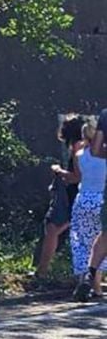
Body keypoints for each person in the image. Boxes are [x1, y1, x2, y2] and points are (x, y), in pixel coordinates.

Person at [35, 114, 85, 279]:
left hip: (73, 195)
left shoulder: (77, 147)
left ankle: (42, 272)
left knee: (53, 229)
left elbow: (77, 176)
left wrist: (59, 171)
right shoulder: (81, 146)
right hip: (76, 194)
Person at [67, 118, 107, 297]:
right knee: (101, 242)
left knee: (82, 242)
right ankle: (97, 286)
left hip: (83, 199)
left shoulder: (79, 155)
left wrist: (60, 172)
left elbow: (77, 177)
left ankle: (83, 280)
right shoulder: (104, 155)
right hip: (101, 198)